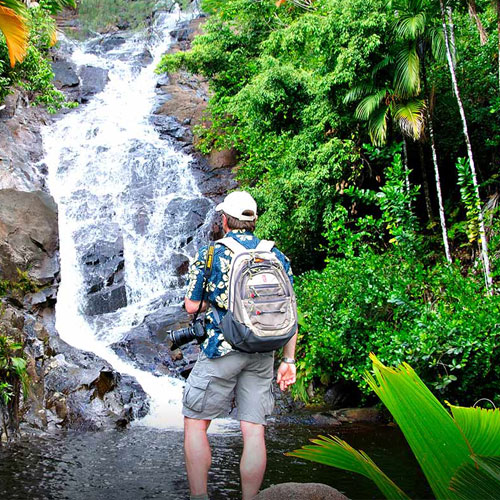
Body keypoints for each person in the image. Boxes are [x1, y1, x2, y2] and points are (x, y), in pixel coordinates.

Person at [182, 190, 297, 500]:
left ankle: (199, 497)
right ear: (254, 221)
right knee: (253, 429)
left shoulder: (212, 254)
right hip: (263, 350)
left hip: (223, 348)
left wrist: (209, 302)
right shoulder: (275, 255)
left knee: (195, 422)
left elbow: (191, 307)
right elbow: (290, 309)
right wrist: (289, 361)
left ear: (224, 221)